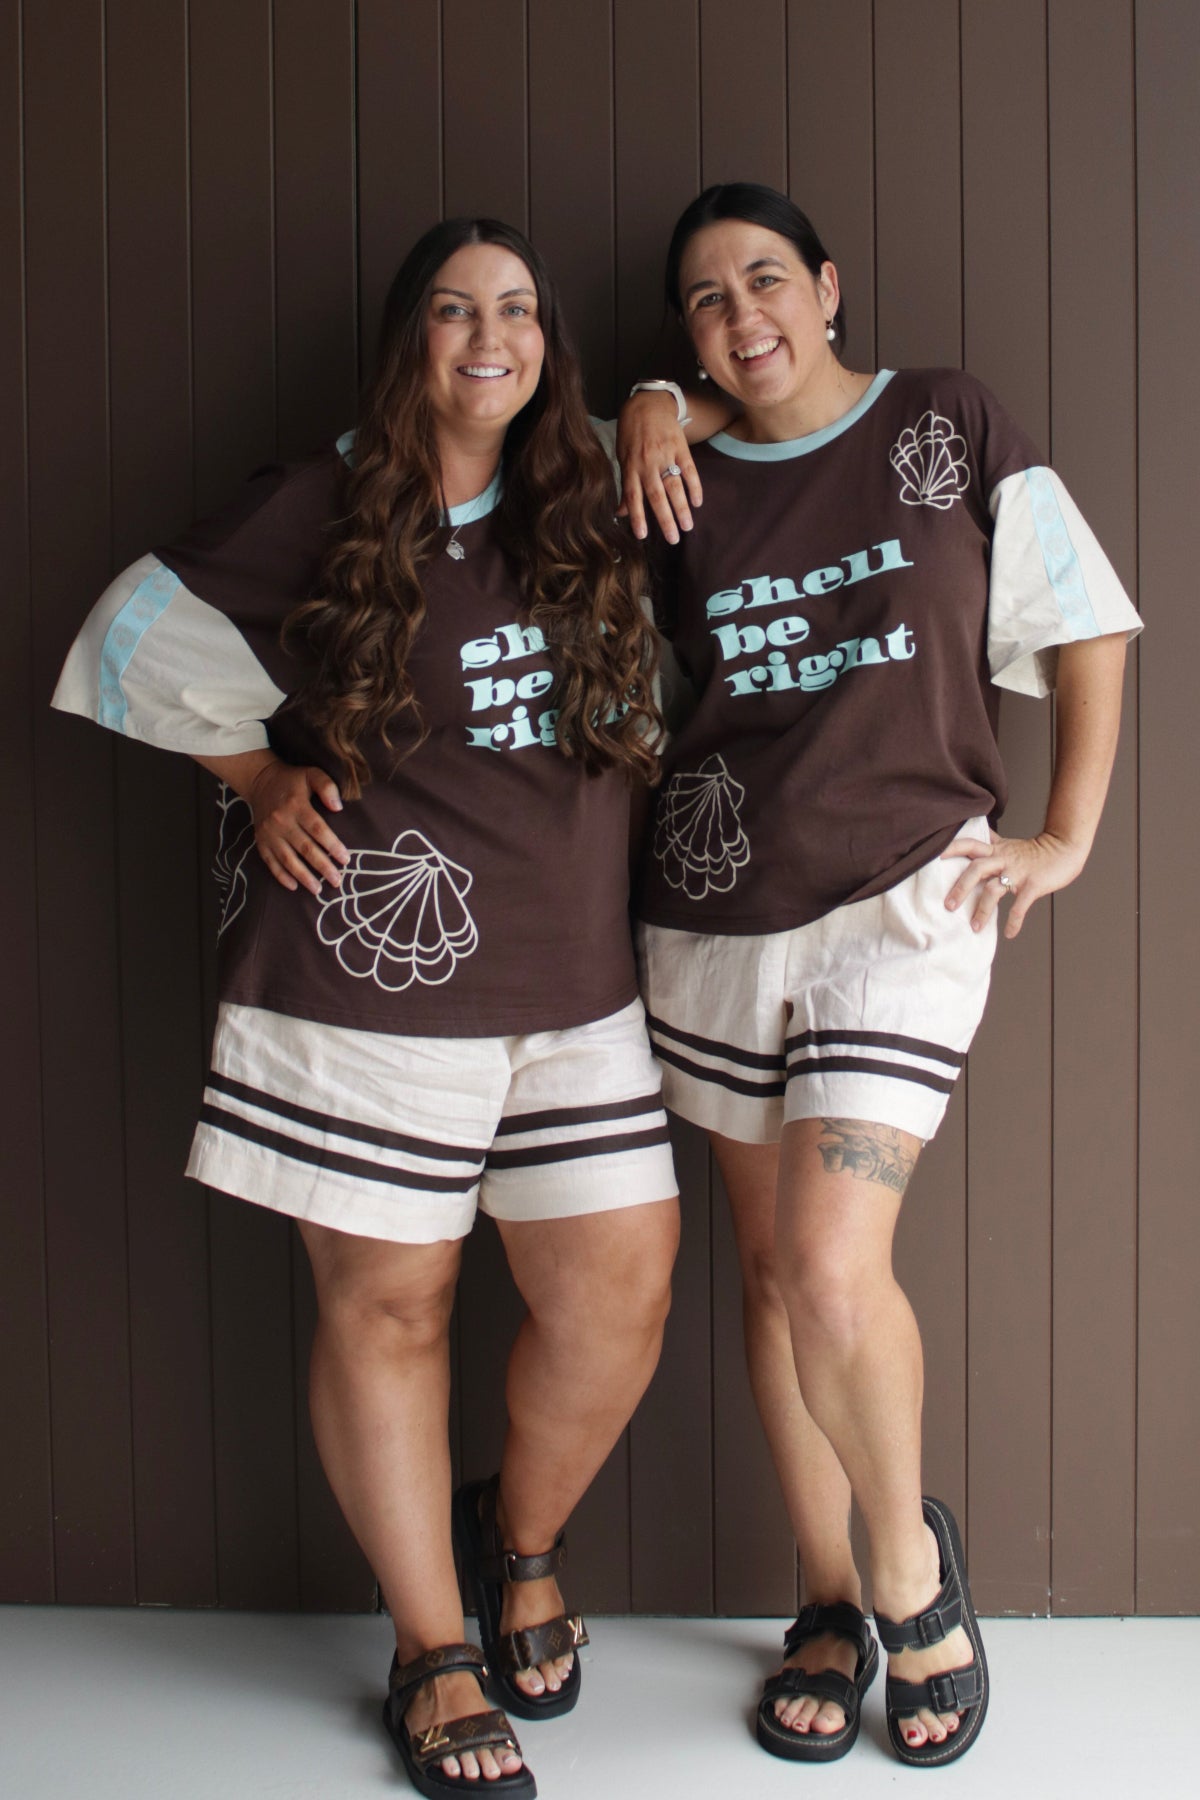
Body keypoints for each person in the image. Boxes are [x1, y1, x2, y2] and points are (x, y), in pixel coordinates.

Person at [53, 216, 681, 1799]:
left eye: (522, 310)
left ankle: (516, 1543)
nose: (495, 336)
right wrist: (255, 769)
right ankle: (432, 1648)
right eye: (458, 309)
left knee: (617, 1301)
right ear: (409, 338)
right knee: (389, 1312)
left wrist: (663, 397)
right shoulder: (324, 503)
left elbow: (769, 398)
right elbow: (123, 640)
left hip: (576, 985)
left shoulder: (590, 479)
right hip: (364, 986)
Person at [617, 181, 1142, 1768]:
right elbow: (505, 458)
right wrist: (648, 404)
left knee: (837, 1268)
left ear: (830, 284)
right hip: (712, 921)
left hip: (907, 904)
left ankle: (913, 1584)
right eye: (702, 301)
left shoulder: (943, 421)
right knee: (774, 1284)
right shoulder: (672, 470)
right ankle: (829, 1600)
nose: (740, 315)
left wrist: (1066, 834)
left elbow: (1081, 622)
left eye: (764, 279)